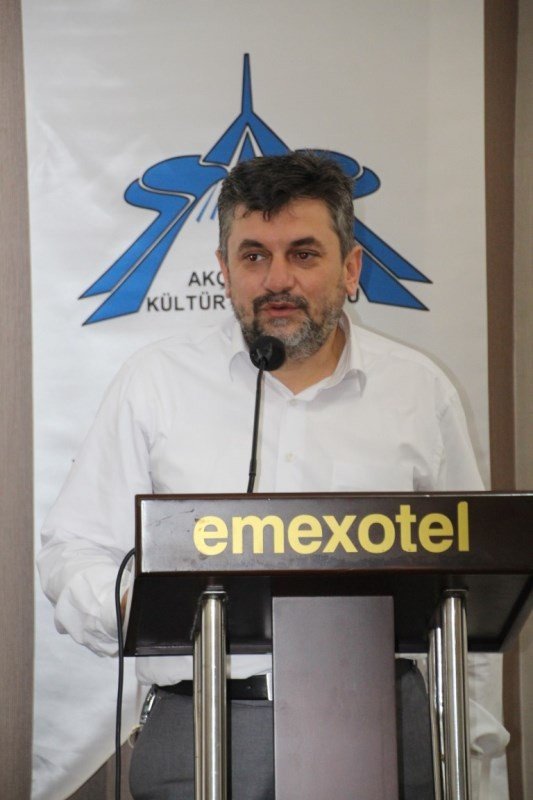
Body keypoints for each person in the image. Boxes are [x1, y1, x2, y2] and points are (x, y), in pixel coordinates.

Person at [38, 152, 506, 800]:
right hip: (199, 723)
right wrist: (135, 604)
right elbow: (73, 550)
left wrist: (474, 761)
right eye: (253, 255)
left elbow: (472, 588)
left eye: (304, 254)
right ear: (224, 271)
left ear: (350, 269)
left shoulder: (419, 392)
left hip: (380, 726)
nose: (276, 279)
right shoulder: (156, 382)